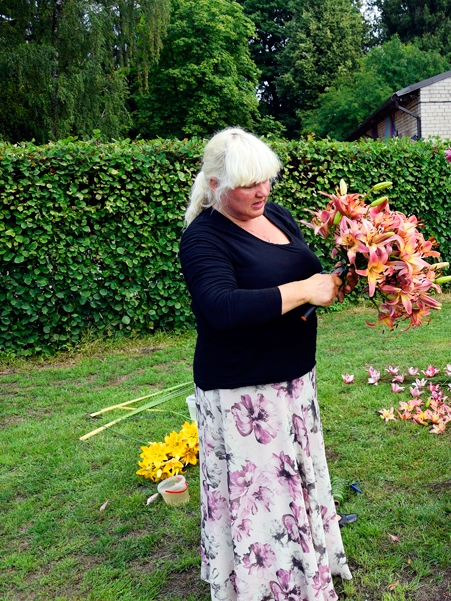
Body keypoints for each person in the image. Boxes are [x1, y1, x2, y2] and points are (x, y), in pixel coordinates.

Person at [179, 127, 353, 600]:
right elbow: (222, 306)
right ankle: (268, 587)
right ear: (215, 184)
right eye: (247, 184)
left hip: (293, 380)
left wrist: (341, 275)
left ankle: (306, 570)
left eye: (266, 179)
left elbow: (303, 271)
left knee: (292, 485)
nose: (261, 192)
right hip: (244, 392)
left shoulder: (274, 213)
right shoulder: (202, 238)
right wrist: (305, 290)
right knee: (264, 499)